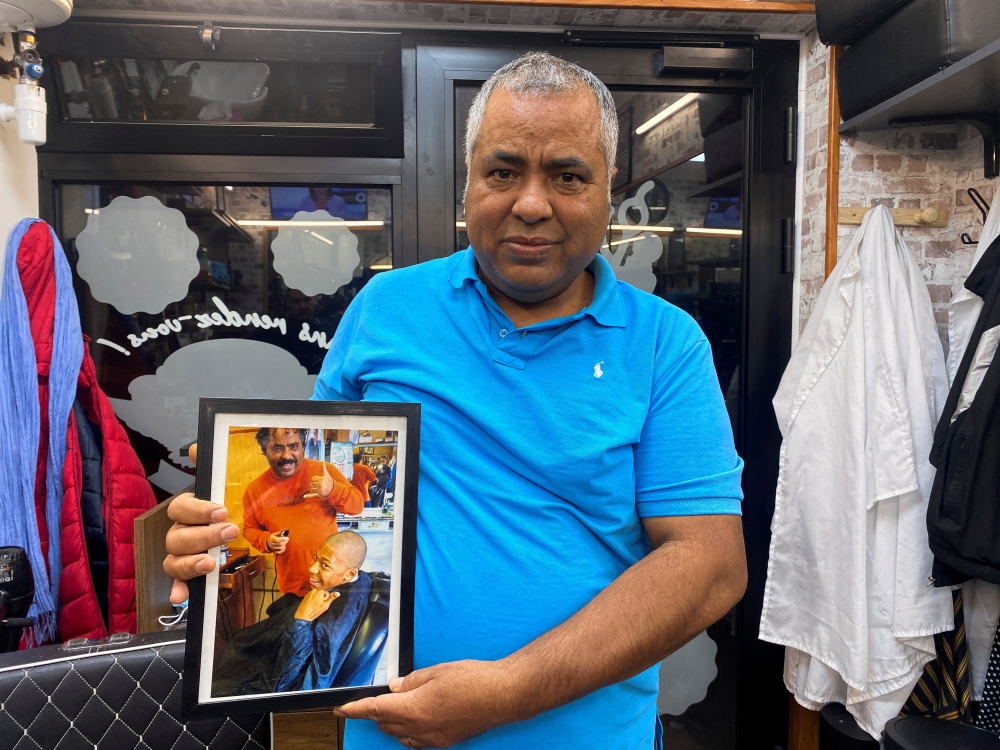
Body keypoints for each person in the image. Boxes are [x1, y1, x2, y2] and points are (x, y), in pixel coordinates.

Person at [165, 52, 747, 750]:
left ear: (607, 188)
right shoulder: (385, 308)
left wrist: (509, 692)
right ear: (469, 178)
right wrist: (222, 537)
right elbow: (319, 480)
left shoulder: (664, 345)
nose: (531, 203)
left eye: (566, 175)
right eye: (503, 172)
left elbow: (709, 566)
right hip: (392, 735)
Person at [212, 530, 374, 696]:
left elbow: (303, 690)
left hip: (259, 679)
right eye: (316, 557)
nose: (311, 568)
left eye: (325, 565)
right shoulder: (358, 582)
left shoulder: (337, 617)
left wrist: (301, 621)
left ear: (350, 574)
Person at [242, 427, 365, 597]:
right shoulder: (254, 490)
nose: (287, 455)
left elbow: (357, 505)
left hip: (332, 585)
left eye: (294, 446)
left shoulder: (324, 472)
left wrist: (333, 490)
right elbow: (249, 529)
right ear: (265, 451)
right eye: (277, 448)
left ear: (302, 447)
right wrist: (266, 541)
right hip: (293, 587)